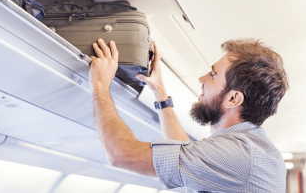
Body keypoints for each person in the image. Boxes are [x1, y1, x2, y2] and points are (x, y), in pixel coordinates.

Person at [89, 38, 289, 192]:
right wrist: (160, 93)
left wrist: (99, 84)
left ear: (233, 99)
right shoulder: (248, 148)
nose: (201, 79)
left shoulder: (239, 153)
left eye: (212, 75)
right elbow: (187, 153)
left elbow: (122, 154)